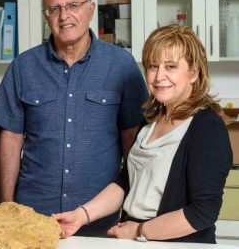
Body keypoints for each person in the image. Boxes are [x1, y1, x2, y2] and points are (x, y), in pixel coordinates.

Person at [0, 0, 148, 234]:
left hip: (100, 219)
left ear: (91, 9)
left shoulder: (121, 65)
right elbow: (10, 138)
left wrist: (132, 209)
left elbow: (133, 139)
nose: (64, 16)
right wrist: (6, 207)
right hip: (33, 217)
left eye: (73, 5)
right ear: (46, 16)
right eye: (54, 9)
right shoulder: (23, 67)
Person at [53, 24, 233, 243]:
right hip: (137, 240)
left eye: (171, 66)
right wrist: (80, 216)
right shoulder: (149, 122)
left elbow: (203, 212)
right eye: (153, 66)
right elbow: (126, 183)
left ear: (193, 72)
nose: (159, 76)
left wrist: (139, 231)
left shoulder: (206, 128)